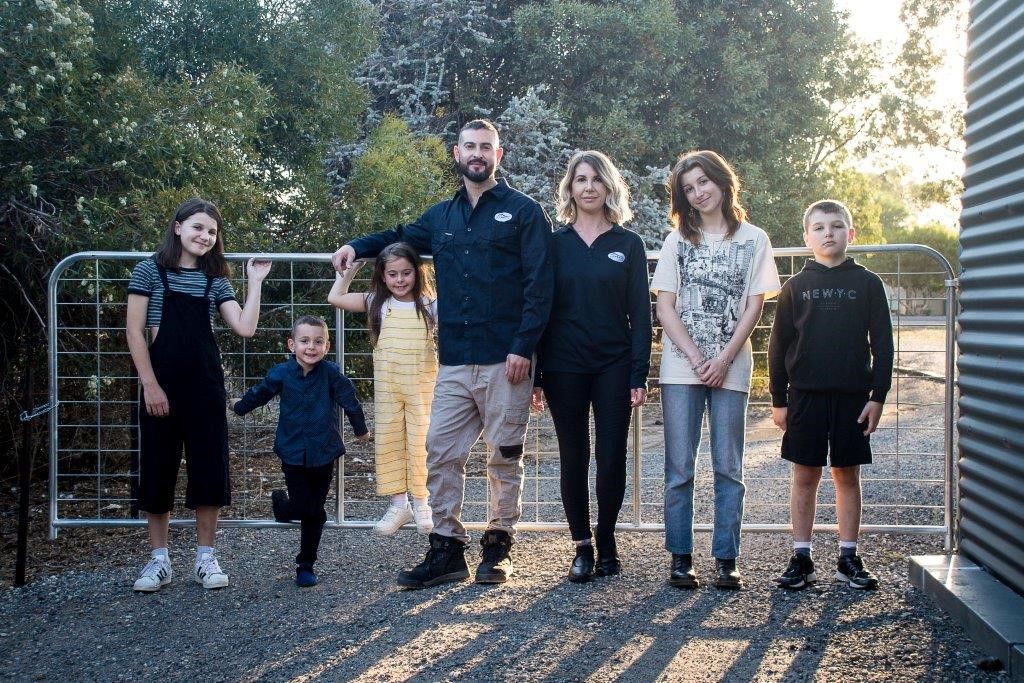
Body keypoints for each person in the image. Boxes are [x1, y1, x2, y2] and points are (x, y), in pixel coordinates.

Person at [331, 119, 553, 589]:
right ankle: (447, 548)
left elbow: (540, 287)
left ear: (500, 154)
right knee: (440, 451)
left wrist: (524, 348)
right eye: (469, 147)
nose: (477, 154)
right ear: (456, 153)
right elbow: (397, 236)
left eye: (485, 147)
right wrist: (355, 245)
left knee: (504, 454)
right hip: (454, 358)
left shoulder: (524, 212)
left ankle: (497, 545)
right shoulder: (441, 217)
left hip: (505, 358)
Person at [126, 197, 271, 592]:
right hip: (161, 385)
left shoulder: (215, 280)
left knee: (209, 468)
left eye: (211, 231)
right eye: (197, 227)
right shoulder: (149, 272)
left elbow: (244, 327)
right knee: (158, 469)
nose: (205, 236)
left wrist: (254, 283)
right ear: (178, 228)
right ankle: (159, 561)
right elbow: (134, 331)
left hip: (205, 386)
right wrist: (150, 384)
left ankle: (206, 558)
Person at [651, 150, 780, 590]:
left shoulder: (754, 239)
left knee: (729, 467)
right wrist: (696, 358)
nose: (698, 192)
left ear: (723, 182)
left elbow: (754, 305)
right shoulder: (676, 241)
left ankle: (727, 557)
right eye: (688, 188)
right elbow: (664, 306)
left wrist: (723, 358)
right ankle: (680, 558)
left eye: (704, 182)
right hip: (680, 367)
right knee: (679, 468)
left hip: (732, 367)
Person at [532, 150, 651, 583]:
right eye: (580, 179)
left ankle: (607, 539)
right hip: (564, 365)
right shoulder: (554, 244)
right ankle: (581, 545)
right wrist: (538, 375)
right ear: (570, 188)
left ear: (608, 187)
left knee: (612, 456)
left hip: (614, 365)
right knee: (574, 456)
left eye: (596, 179)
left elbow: (641, 314)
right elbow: (541, 308)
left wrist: (639, 374)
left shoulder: (628, 244)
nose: (588, 187)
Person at [769, 200, 893, 590]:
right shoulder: (796, 286)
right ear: (807, 237)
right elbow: (778, 345)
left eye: (837, 226)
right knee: (805, 475)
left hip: (853, 398)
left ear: (850, 234)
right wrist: (779, 399)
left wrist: (878, 395)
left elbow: (883, 345)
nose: (828, 233)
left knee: (846, 475)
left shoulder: (868, 284)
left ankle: (848, 556)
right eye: (819, 227)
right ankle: (801, 557)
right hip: (804, 396)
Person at [232, 315, 369, 587]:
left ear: (327, 346)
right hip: (292, 451)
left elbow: (349, 400)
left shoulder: (331, 373)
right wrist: (239, 406)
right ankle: (284, 507)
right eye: (305, 341)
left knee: (312, 509)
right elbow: (261, 393)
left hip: (323, 451)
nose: (311, 347)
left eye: (318, 342)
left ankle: (305, 564)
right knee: (311, 509)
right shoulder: (281, 373)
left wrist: (360, 430)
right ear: (292, 344)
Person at [328, 243, 437, 536]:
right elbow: (335, 297)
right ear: (383, 276)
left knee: (420, 442)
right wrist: (350, 269)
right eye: (392, 274)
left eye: (406, 273)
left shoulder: (430, 304)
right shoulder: (377, 302)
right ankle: (399, 505)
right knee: (389, 441)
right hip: (389, 389)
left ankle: (423, 503)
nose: (399, 280)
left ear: (418, 272)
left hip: (422, 387)